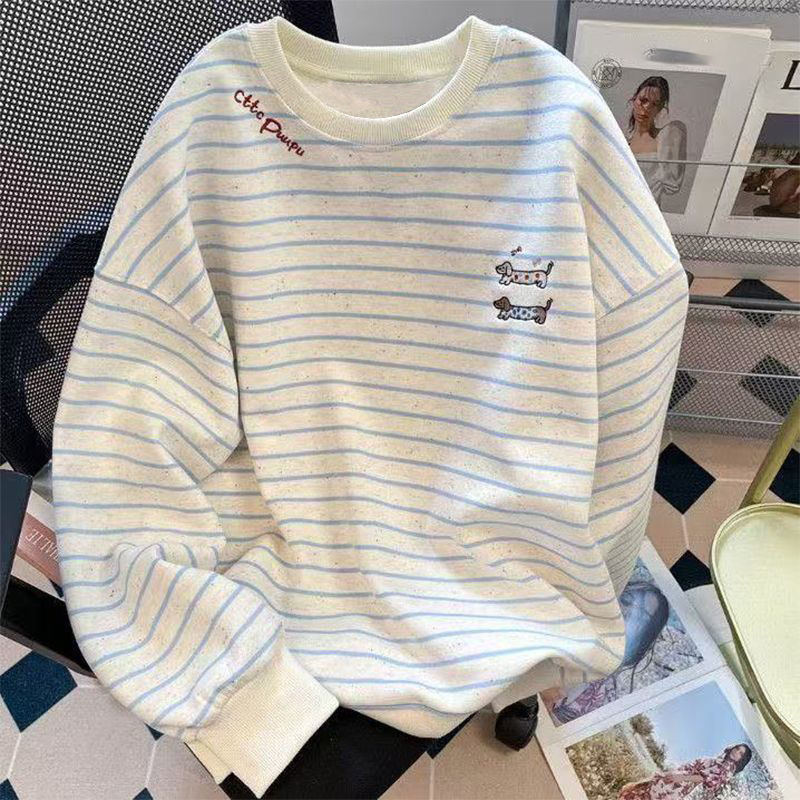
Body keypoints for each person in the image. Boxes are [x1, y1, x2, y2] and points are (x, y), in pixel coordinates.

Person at [626, 76, 687, 208]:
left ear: (660, 109)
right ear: (634, 99)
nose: (646, 108)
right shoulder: (623, 140)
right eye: (643, 100)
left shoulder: (666, 137)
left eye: (655, 104)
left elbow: (673, 184)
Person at [618, 744, 753, 799]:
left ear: (742, 760)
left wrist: (680, 778)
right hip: (677, 778)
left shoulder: (727, 770)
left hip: (680, 783)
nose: (736, 752)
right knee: (644, 791)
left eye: (741, 753)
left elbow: (704, 779)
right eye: (737, 749)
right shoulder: (720, 761)